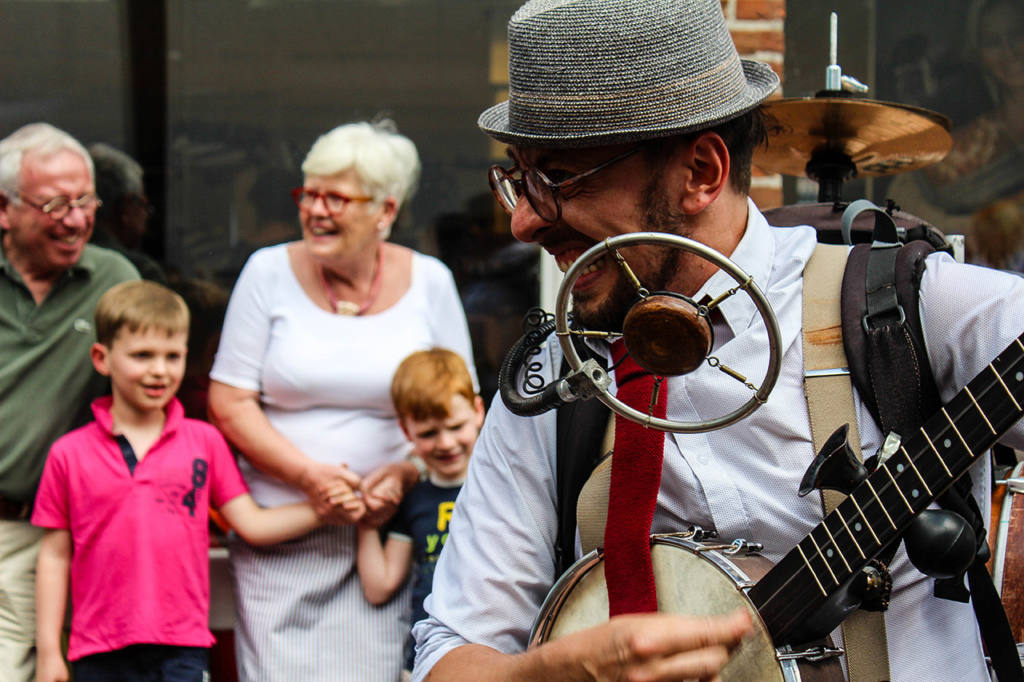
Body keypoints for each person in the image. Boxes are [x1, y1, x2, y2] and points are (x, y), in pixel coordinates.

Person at [413, 1, 1024, 681]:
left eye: (556, 179)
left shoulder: (901, 309)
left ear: (701, 172)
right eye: (518, 178)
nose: (524, 221)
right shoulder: (561, 375)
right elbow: (452, 654)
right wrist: (552, 673)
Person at [207, 119, 476, 681]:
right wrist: (311, 479)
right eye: (309, 194)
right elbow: (228, 400)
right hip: (282, 531)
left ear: (385, 211)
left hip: (388, 537)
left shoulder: (430, 281)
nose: (316, 210)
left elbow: (461, 404)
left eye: (337, 197)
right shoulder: (266, 273)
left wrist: (405, 475)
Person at [31, 280, 329, 682]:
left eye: (172, 356)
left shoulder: (203, 441)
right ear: (102, 358)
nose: (159, 370)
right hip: (98, 649)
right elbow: (54, 556)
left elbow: (252, 524)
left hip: (182, 649)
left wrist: (324, 509)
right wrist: (50, 650)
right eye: (142, 355)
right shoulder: (68, 453)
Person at [0, 122, 139, 681]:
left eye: (85, 200)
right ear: (4, 209)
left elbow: (150, 400)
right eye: (55, 203)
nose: (77, 219)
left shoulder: (113, 280)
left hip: (57, 535)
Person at [357, 348, 484, 675]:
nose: (445, 443)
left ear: (478, 411)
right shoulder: (413, 500)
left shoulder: (498, 487)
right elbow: (380, 585)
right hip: (426, 660)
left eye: (456, 426)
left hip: (495, 650)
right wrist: (367, 523)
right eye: (428, 433)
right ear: (406, 431)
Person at [886, 0, 1024, 270]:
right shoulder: (981, 136)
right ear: (980, 53)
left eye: (1018, 35)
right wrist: (962, 227)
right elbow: (900, 197)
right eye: (994, 42)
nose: (1009, 52)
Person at [87, 142, 165, 282]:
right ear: (126, 206)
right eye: (142, 204)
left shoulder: (58, 260)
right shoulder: (141, 272)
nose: (146, 214)